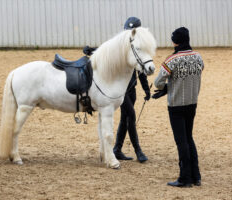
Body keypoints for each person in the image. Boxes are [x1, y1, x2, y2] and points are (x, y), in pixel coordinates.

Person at [83, 17, 150, 163]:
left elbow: (141, 70)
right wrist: (92, 50)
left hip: (131, 89)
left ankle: (117, 149)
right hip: (119, 90)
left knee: (125, 119)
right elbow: (108, 53)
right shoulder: (122, 45)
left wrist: (146, 89)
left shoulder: (136, 47)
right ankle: (138, 151)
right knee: (131, 116)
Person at [152, 27, 204, 187]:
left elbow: (158, 82)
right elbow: (199, 71)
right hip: (192, 102)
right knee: (189, 138)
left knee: (181, 141)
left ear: (175, 41)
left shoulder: (171, 60)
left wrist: (168, 87)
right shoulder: (198, 57)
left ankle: (184, 178)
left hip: (176, 105)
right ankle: (196, 176)